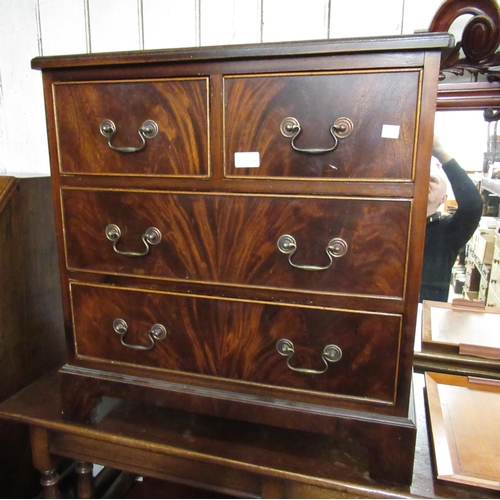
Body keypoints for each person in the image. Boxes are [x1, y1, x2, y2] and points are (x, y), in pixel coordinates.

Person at [419, 136, 484, 302]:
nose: (426, 182)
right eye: (421, 179)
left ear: (443, 198)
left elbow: (473, 205)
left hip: (424, 313)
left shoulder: (448, 231)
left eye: (433, 180)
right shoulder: (395, 223)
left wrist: (440, 151)